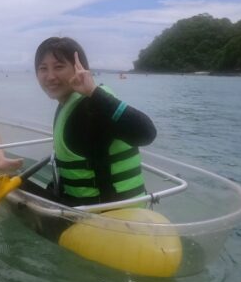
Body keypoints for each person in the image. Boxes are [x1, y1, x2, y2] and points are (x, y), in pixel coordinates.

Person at [33, 36, 156, 207]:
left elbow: (146, 134)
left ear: (79, 68)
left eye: (59, 67)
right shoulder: (67, 105)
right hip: (86, 210)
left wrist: (93, 92)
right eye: (43, 68)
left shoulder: (93, 106)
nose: (50, 76)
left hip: (110, 217)